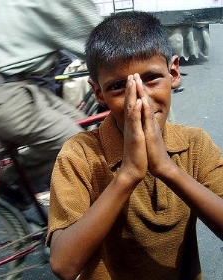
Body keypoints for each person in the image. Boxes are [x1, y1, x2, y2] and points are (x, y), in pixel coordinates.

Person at [47, 11, 223, 280]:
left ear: (173, 73)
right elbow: (64, 265)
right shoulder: (79, 155)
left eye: (151, 78)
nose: (139, 99)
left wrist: (167, 168)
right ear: (99, 93)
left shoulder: (194, 145)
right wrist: (128, 175)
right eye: (119, 86)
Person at [0, 0, 102, 208]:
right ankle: (9, 185)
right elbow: (102, 40)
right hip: (5, 93)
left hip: (12, 86)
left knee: (84, 128)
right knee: (72, 141)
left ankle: (67, 196)